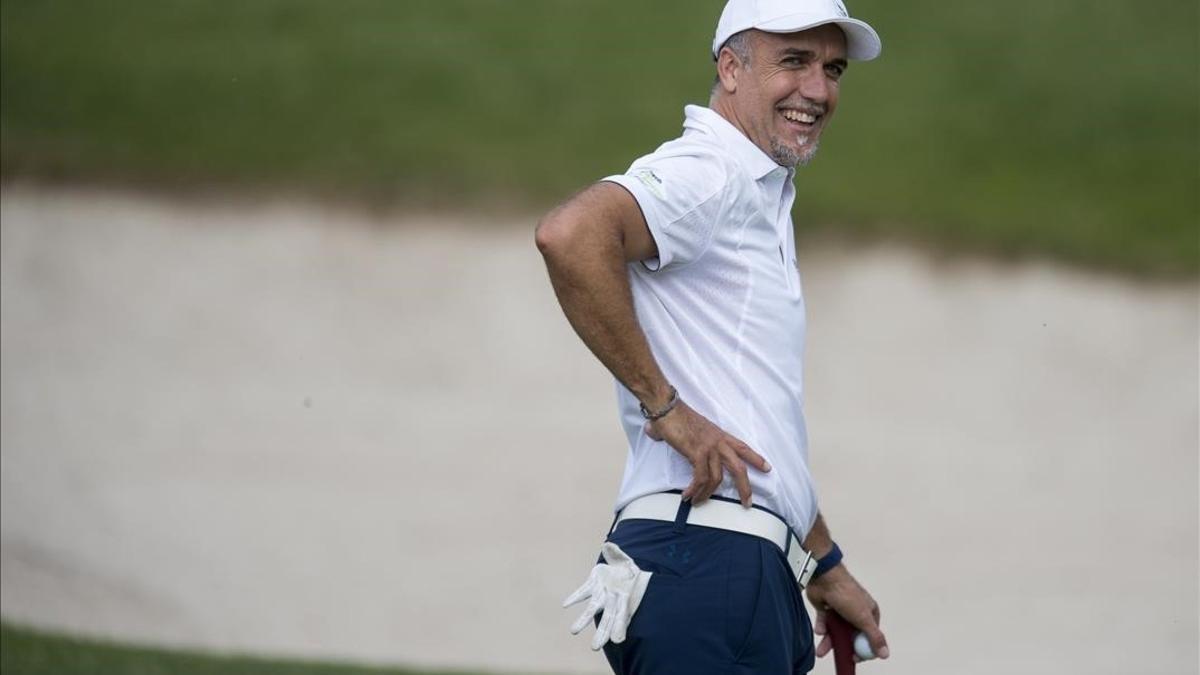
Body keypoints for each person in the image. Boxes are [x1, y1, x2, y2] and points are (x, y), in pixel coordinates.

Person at [536, 1, 890, 672]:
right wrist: (665, 409)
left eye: (832, 68)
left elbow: (758, 434)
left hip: (742, 571)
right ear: (731, 67)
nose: (817, 89)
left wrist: (824, 565)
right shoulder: (713, 172)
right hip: (708, 567)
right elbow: (571, 234)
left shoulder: (756, 192)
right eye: (794, 61)